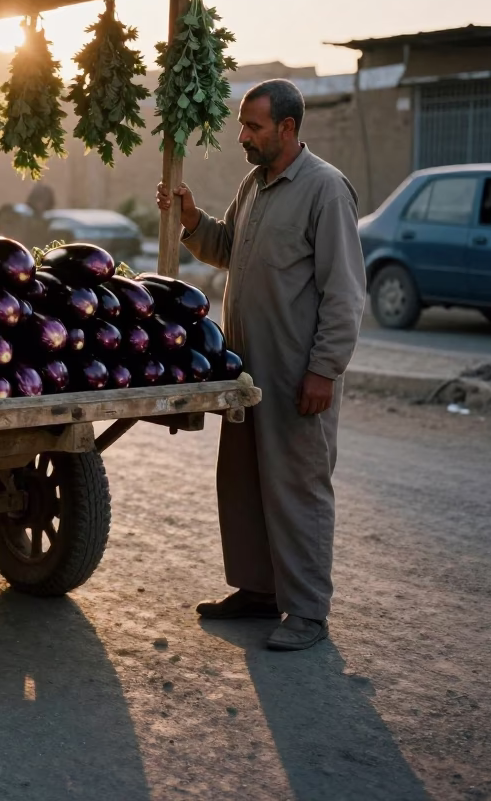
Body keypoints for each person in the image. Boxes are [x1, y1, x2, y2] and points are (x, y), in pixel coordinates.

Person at [156, 79, 365, 651]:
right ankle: (258, 592)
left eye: (254, 126)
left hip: (297, 375)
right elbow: (228, 249)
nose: (243, 136)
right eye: (242, 125)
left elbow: (345, 293)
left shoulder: (326, 190)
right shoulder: (253, 184)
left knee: (298, 487)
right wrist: (192, 220)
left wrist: (324, 370)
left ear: (288, 128)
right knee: (245, 481)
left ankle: (307, 611)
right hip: (247, 372)